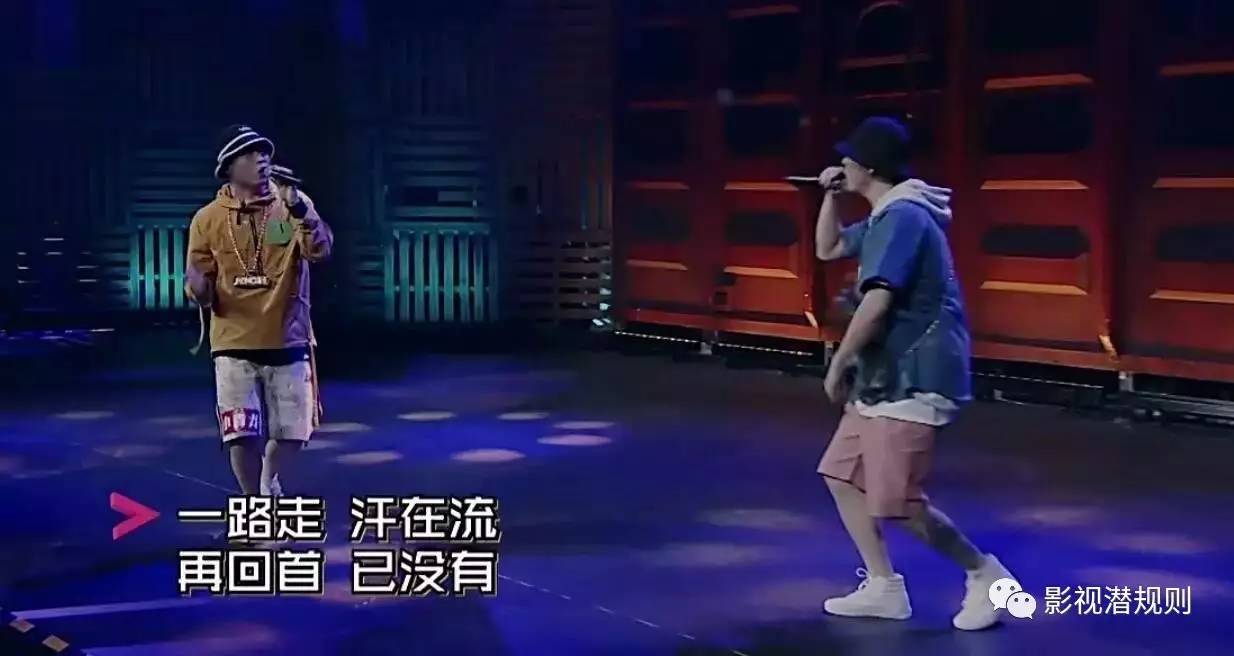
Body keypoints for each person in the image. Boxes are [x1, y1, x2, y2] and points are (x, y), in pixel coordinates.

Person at [813, 117, 1014, 630]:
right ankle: (883, 587)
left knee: (897, 501)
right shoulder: (885, 215)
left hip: (917, 372)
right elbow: (829, 250)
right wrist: (831, 198)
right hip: (886, 375)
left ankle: (988, 576)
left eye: (849, 159)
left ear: (868, 166)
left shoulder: (903, 217)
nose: (842, 165)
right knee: (842, 474)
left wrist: (840, 360)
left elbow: (878, 300)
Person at [185, 125, 333, 499]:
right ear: (228, 167)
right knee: (240, 434)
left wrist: (298, 208)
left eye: (264, 151)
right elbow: (199, 282)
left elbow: (320, 250)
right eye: (249, 154)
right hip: (233, 342)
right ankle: (255, 502)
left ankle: (269, 478)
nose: (262, 158)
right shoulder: (207, 218)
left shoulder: (292, 204)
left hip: (288, 336)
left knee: (294, 433)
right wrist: (197, 288)